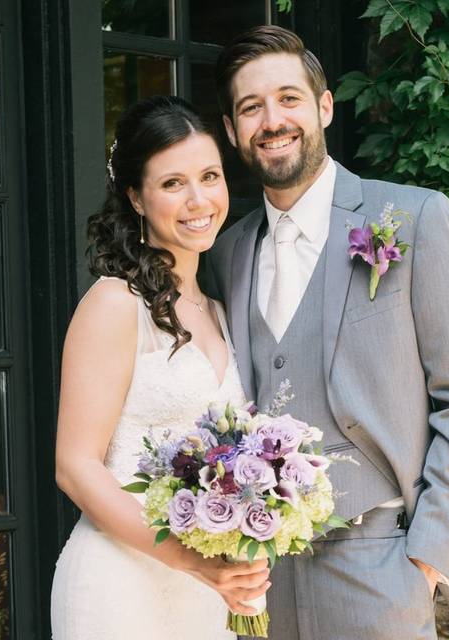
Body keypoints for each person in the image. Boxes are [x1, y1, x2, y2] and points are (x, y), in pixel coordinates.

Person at [202, 26, 449, 639]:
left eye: (288, 98)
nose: (272, 120)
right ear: (233, 131)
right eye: (250, 107)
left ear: (325, 107)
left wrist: (425, 560)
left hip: (383, 564)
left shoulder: (414, 218)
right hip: (263, 582)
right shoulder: (226, 252)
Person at [50, 96, 271, 640]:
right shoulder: (113, 304)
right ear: (136, 197)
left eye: (210, 176)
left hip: (206, 591)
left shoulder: (221, 310)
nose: (199, 200)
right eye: (173, 183)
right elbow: (75, 466)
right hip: (120, 585)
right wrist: (190, 560)